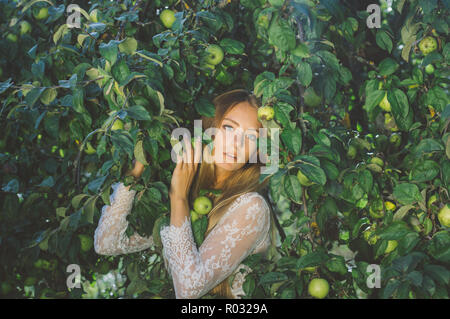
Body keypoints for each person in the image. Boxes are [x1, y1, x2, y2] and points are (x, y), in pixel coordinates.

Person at [94, 89, 277, 299]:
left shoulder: (251, 207)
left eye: (251, 137)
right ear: (210, 128)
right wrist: (135, 172)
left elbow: (189, 291)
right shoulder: (190, 193)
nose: (237, 143)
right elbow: (106, 243)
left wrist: (178, 197)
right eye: (228, 128)